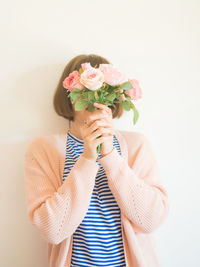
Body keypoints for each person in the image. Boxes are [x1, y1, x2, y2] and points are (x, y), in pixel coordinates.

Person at [24, 54, 170, 267]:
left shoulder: (137, 144)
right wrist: (87, 159)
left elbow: (151, 220)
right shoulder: (43, 149)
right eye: (84, 91)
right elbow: (52, 231)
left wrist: (111, 156)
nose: (94, 100)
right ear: (69, 95)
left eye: (104, 92)